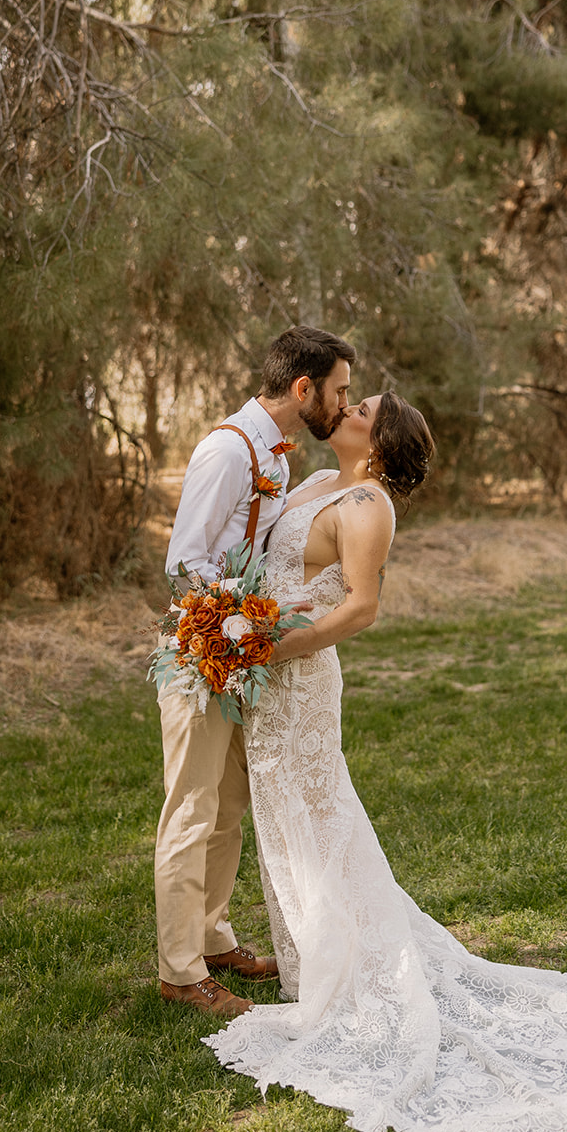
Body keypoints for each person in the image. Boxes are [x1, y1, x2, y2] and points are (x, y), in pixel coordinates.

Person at [205, 391, 567, 1132]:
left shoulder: (367, 505)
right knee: (285, 821)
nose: (344, 405)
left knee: (317, 815)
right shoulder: (312, 486)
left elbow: (361, 608)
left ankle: (351, 977)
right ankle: (318, 964)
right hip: (266, 681)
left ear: (378, 435)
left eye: (359, 404)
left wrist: (269, 647)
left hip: (297, 682)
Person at [155, 326, 356, 1020]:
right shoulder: (225, 451)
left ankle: (211, 942)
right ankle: (178, 972)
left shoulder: (272, 455)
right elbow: (186, 563)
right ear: (303, 389)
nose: (342, 402)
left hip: (241, 661)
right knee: (190, 808)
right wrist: (237, 630)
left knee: (228, 809)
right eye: (338, 390)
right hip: (201, 653)